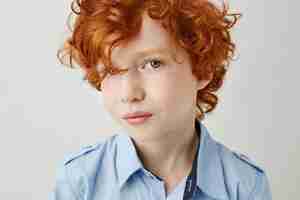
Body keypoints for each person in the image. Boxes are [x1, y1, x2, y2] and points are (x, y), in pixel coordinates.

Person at [51, 0, 272, 199]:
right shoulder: (80, 181)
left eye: (153, 64)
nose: (130, 94)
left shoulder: (243, 185)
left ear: (203, 70)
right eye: (110, 70)